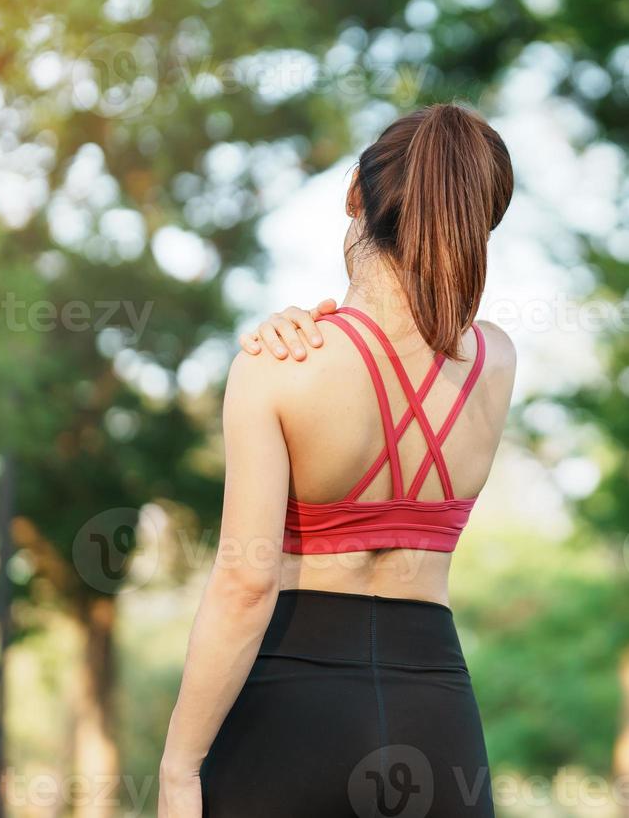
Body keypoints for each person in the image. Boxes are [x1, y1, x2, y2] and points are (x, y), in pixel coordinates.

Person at [159, 103, 516, 818]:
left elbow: (243, 584)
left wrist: (177, 769)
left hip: (287, 717)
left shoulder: (280, 365)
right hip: (438, 724)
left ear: (355, 192)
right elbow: (425, 345)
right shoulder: (497, 361)